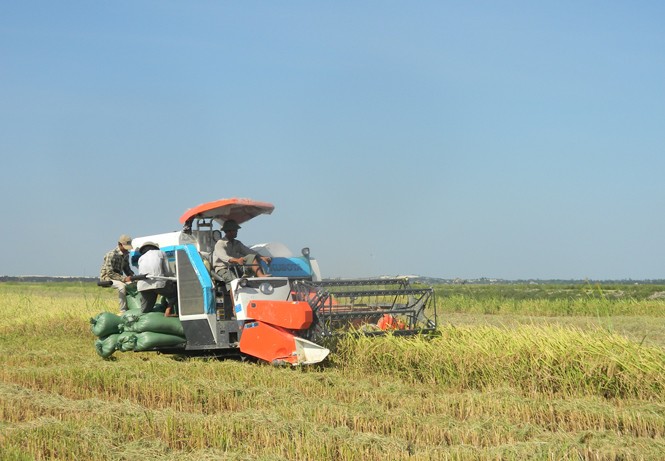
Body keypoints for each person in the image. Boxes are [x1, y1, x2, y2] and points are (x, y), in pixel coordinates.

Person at [212, 219, 272, 292]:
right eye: (235, 230)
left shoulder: (237, 243)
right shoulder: (220, 243)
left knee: (251, 257)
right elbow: (224, 257)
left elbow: (248, 251)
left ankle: (260, 276)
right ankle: (234, 300)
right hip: (223, 268)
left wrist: (261, 257)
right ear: (229, 231)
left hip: (236, 267)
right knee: (233, 281)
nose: (237, 232)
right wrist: (236, 260)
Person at [136, 241, 178, 314]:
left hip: (143, 286)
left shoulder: (141, 258)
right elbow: (168, 272)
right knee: (176, 293)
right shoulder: (161, 253)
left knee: (145, 310)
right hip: (159, 284)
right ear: (155, 248)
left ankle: (142, 319)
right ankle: (168, 311)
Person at [99, 234, 135, 313]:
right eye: (125, 247)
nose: (126, 250)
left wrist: (134, 278)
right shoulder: (111, 255)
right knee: (122, 286)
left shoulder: (126, 255)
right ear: (119, 244)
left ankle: (132, 308)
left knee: (133, 285)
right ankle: (123, 311)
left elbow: (127, 269)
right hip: (107, 278)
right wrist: (124, 279)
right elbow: (110, 272)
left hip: (119, 277)